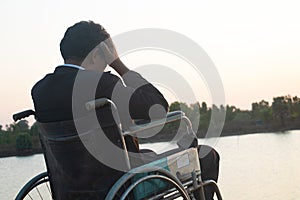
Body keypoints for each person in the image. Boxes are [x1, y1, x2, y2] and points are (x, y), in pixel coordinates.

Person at [31, 21, 219, 199]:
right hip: (121, 184)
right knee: (206, 155)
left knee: (148, 155)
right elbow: (158, 107)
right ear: (97, 54)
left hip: (71, 188)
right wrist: (118, 63)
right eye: (106, 56)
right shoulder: (101, 84)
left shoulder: (40, 91)